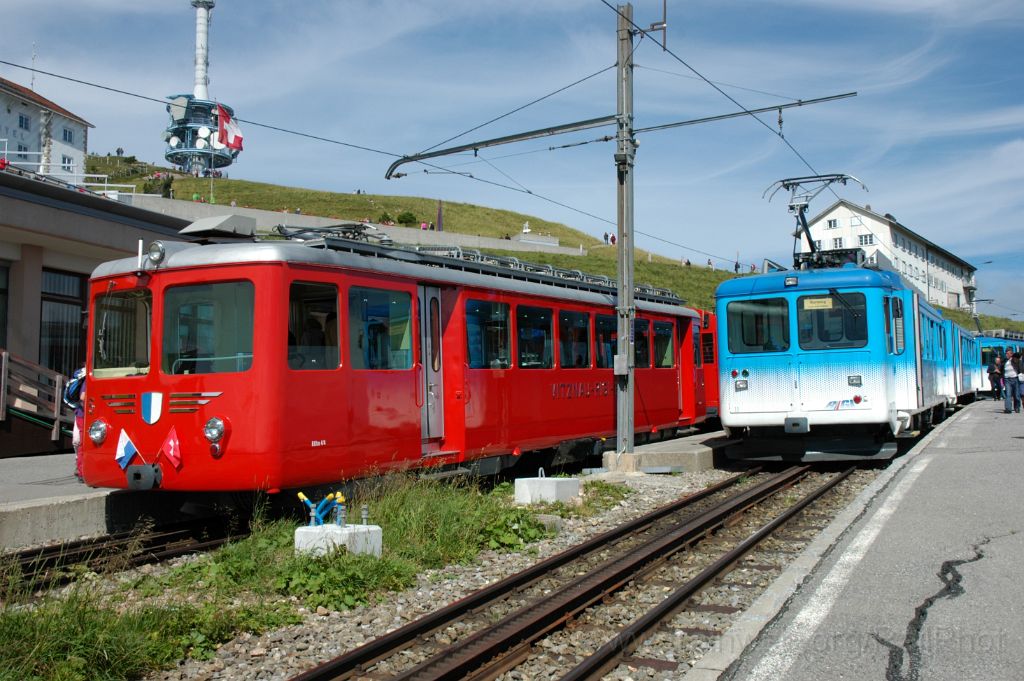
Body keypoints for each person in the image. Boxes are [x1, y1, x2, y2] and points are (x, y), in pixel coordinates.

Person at [62, 368, 86, 481]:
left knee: (78, 441)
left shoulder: (84, 377)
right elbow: (83, 397)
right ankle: (81, 470)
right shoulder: (87, 380)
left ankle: (80, 469)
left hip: (80, 412)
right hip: (84, 413)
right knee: (82, 442)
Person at [1002, 349, 1021, 414]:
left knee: (1016, 395)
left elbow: (1018, 355)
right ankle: (1008, 409)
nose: (1006, 355)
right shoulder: (1004, 361)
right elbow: (1001, 368)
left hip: (1015, 379)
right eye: (1006, 353)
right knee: (1008, 394)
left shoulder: (1014, 360)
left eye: (1008, 353)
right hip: (1007, 380)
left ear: (1011, 354)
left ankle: (1017, 407)